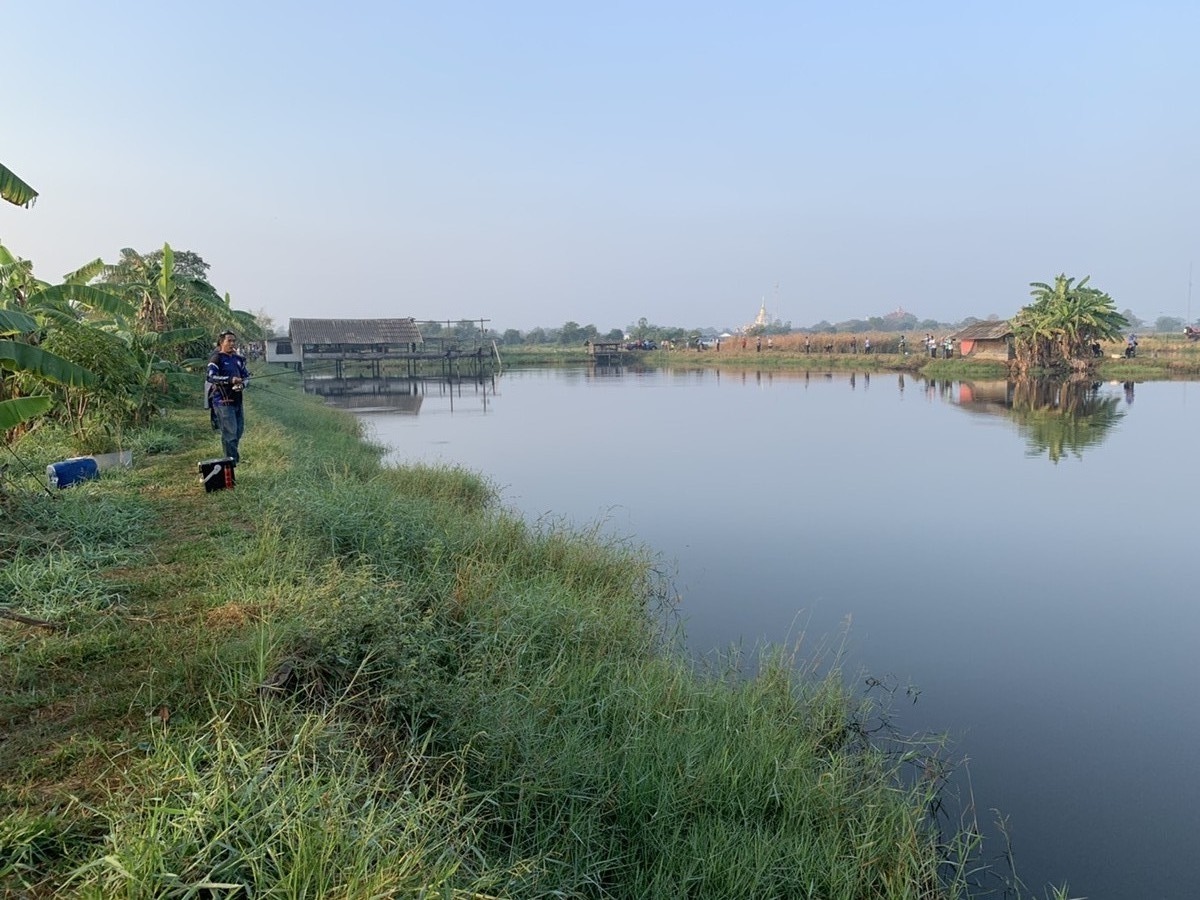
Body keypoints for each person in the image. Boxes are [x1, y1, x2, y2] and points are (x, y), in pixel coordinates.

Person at [207, 330, 250, 465]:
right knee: (230, 434)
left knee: (238, 432)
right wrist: (230, 380)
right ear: (221, 342)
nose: (232, 344)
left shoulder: (238, 359)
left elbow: (247, 376)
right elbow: (211, 377)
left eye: (233, 341)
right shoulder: (216, 358)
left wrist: (243, 384)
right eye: (229, 341)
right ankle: (232, 464)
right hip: (222, 402)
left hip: (237, 400)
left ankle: (230, 460)